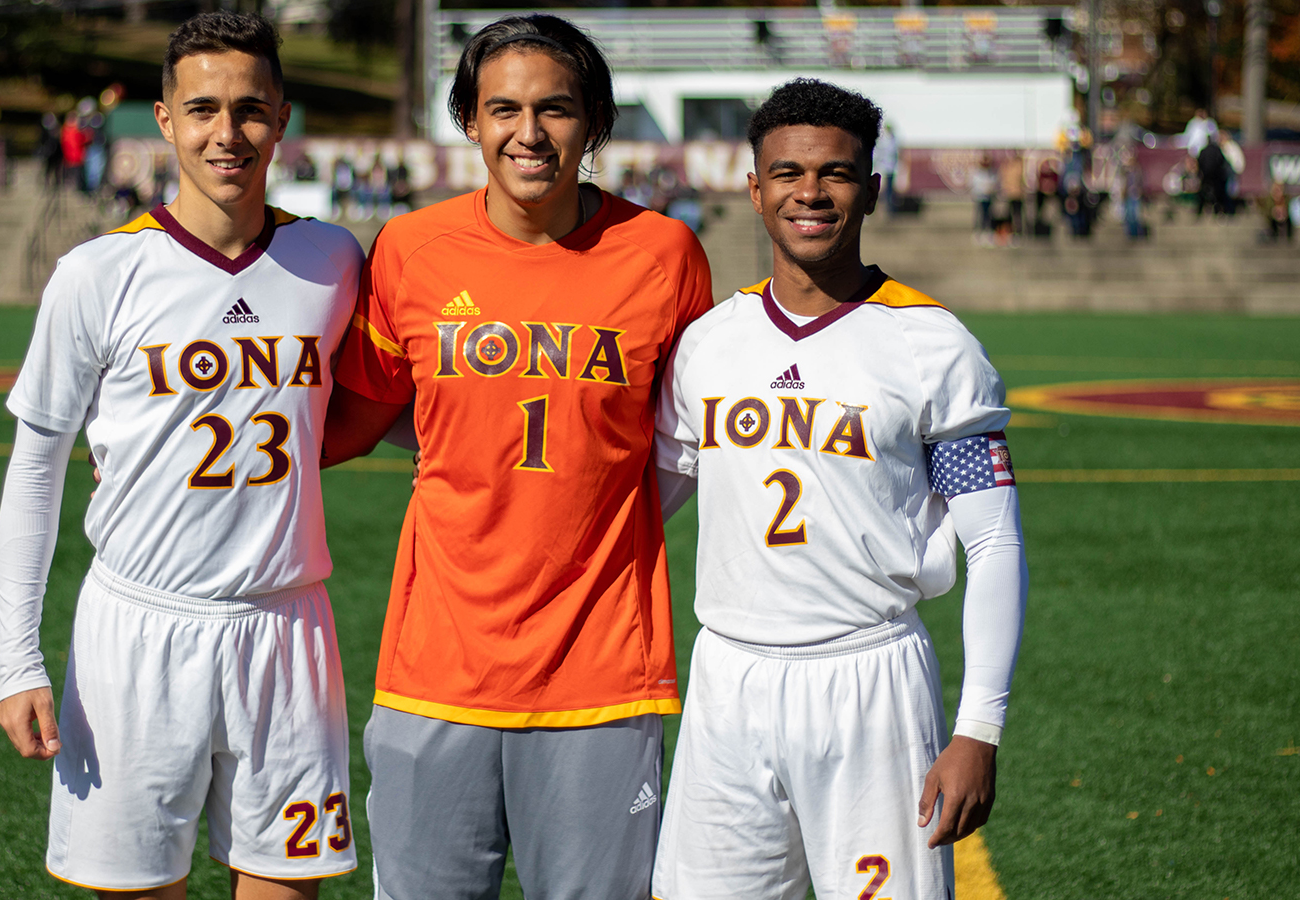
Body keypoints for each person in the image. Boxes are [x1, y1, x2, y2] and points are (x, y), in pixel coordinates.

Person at [321, 14, 714, 899]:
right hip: (434, 671)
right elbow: (353, 419)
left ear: (595, 124)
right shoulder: (410, 251)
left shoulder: (664, 256)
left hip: (603, 676)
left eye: (556, 110)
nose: (528, 134)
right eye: (503, 109)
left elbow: (688, 443)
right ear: (468, 119)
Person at [0, 13, 362, 899]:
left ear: (281, 118)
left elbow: (381, 406)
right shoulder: (98, 273)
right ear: (163, 119)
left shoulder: (334, 257)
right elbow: (37, 466)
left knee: (286, 885)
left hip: (286, 629)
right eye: (201, 110)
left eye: (249, 110)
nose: (224, 134)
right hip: (138, 630)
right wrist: (18, 660)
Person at [650, 78, 1027, 900]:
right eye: (786, 172)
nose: (810, 193)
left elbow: (993, 542)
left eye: (836, 174)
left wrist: (979, 731)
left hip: (870, 681)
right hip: (727, 679)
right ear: (755, 189)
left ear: (873, 189)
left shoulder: (934, 346)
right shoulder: (708, 344)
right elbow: (643, 503)